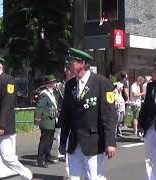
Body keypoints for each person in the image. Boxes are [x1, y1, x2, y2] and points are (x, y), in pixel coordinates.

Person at [59, 48, 117, 180]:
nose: (69, 65)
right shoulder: (70, 85)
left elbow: (109, 115)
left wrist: (110, 142)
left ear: (82, 63)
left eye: (72, 61)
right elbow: (66, 115)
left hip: (93, 140)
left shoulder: (101, 83)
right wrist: (63, 142)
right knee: (74, 177)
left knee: (93, 177)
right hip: (74, 141)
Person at [0, 53, 33, 180]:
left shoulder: (8, 80)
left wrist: (1, 125)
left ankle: (26, 174)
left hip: (2, 127)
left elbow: (7, 104)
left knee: (8, 157)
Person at [35, 74, 60, 168]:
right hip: (46, 121)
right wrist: (37, 121)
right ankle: (40, 160)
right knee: (44, 141)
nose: (55, 83)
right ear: (49, 83)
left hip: (52, 120)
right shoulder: (44, 94)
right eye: (53, 82)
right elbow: (39, 108)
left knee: (49, 140)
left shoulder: (52, 93)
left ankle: (47, 156)